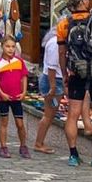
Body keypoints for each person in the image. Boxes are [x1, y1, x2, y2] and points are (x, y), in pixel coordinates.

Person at [58, 0, 92, 169]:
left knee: (73, 114)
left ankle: (73, 154)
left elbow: (62, 52)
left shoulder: (64, 24)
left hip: (76, 73)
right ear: (84, 1)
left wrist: (65, 74)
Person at [0, 36, 31, 159]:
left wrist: (24, 91)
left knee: (20, 123)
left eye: (12, 47)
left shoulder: (19, 61)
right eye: (8, 46)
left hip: (16, 97)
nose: (10, 49)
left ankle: (23, 146)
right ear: (2, 47)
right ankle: (3, 147)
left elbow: (24, 76)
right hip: (4, 98)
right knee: (4, 122)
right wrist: (1, 93)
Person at [34, 26, 63, 154]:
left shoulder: (56, 42)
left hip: (55, 81)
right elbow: (51, 68)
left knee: (51, 112)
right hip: (53, 81)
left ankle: (40, 142)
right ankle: (38, 143)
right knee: (48, 114)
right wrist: (53, 88)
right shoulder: (55, 44)